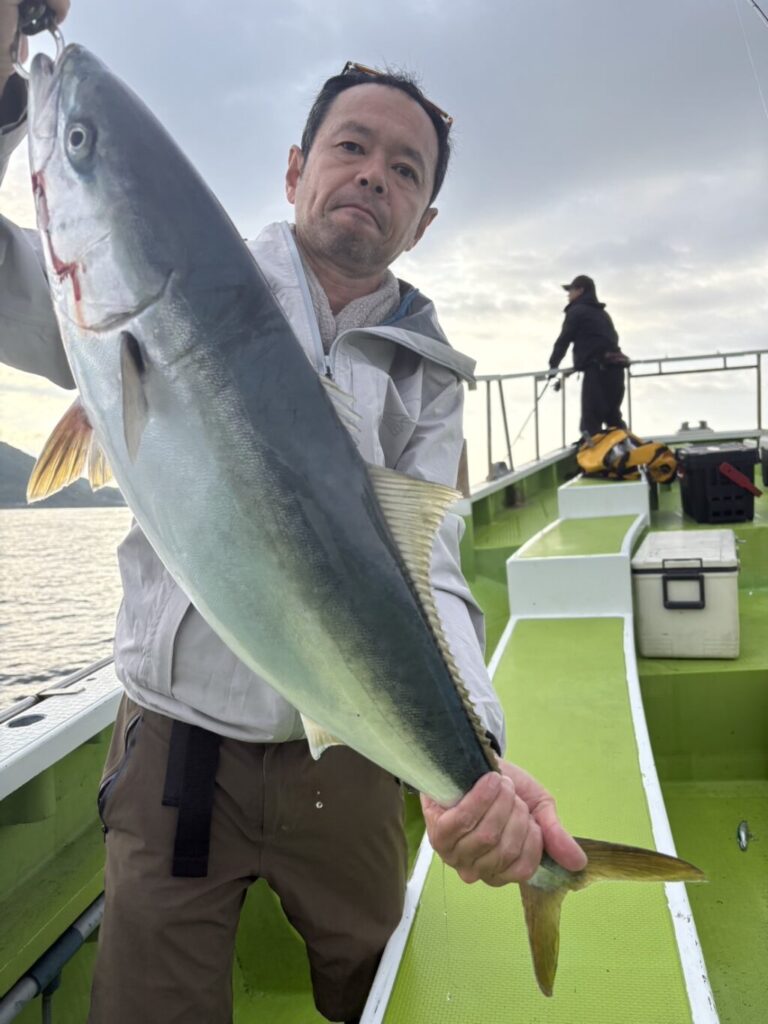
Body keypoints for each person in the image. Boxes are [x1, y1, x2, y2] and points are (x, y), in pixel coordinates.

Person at [0, 5, 587, 1022]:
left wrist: (479, 761)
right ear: (293, 169)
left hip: (351, 764)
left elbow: (432, 570)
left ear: (424, 220)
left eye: (405, 169)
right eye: (351, 147)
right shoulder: (148, 280)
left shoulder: (427, 377)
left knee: (382, 992)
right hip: (176, 752)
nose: (374, 175)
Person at [547, 274, 628, 437]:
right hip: (616, 370)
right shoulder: (603, 314)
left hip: (598, 371)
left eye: (571, 290)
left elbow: (564, 340)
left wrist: (553, 366)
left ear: (580, 290)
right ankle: (626, 449)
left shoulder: (576, 311)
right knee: (614, 419)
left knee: (590, 424)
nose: (568, 294)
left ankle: (592, 450)